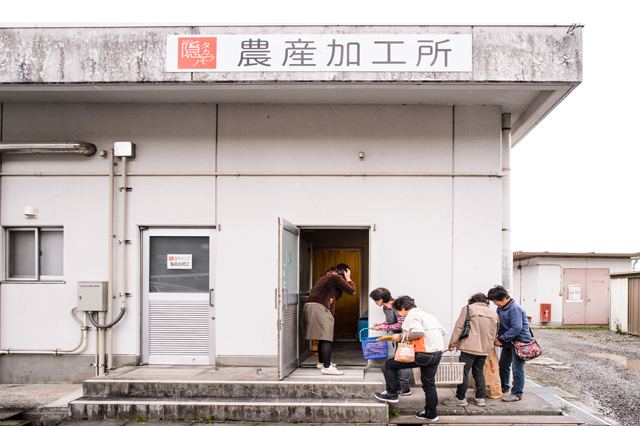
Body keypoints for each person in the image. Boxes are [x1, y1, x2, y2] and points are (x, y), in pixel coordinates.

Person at [374, 296, 447, 422]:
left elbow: (418, 333)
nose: (399, 314)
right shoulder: (428, 315)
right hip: (437, 353)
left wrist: (400, 336)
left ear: (402, 308)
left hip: (423, 354)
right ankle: (431, 413)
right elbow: (443, 332)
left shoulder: (412, 316)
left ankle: (392, 394)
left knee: (390, 365)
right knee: (429, 384)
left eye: (399, 311)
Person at [443, 292, 499, 408]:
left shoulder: (468, 309)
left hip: (469, 347)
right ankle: (480, 398)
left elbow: (459, 327)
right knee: (479, 372)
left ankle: (460, 398)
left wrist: (452, 344)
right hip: (485, 349)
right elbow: (496, 330)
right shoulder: (493, 313)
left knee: (463, 372)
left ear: (473, 300)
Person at [302, 263, 356, 375]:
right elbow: (351, 291)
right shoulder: (336, 277)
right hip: (319, 306)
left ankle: (322, 362)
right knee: (326, 337)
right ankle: (327, 367)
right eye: (347, 272)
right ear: (344, 271)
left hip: (312, 306)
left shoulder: (325, 278)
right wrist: (348, 278)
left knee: (322, 336)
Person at [487, 285, 532, 402]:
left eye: (495, 300)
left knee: (517, 368)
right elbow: (501, 325)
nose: (495, 303)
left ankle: (517, 393)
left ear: (503, 298)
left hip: (519, 342)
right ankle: (503, 386)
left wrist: (501, 339)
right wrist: (497, 337)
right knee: (503, 364)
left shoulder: (515, 309)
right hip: (508, 341)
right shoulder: (501, 308)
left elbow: (516, 328)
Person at [369, 287, 412, 396]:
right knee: (399, 360)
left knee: (404, 361)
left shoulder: (396, 307)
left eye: (375, 299)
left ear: (381, 299)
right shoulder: (386, 308)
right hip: (398, 337)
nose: (374, 302)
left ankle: (405, 388)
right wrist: (381, 325)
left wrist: (383, 328)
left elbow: (401, 325)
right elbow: (390, 322)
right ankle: (399, 386)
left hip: (405, 337)